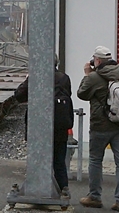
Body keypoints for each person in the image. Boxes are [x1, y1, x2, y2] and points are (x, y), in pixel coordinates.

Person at [77, 46, 119, 212]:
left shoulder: (94, 77)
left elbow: (82, 94)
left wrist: (87, 74)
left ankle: (94, 197)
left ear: (97, 60)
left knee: (95, 160)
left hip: (100, 126)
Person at [15, 62, 75, 196]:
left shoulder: (36, 77)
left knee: (37, 160)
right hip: (59, 127)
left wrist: (28, 79)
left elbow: (19, 96)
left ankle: (36, 190)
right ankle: (64, 190)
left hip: (38, 128)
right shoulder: (64, 78)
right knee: (59, 162)